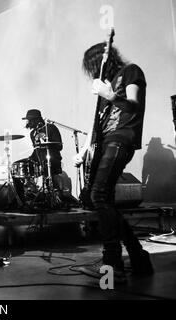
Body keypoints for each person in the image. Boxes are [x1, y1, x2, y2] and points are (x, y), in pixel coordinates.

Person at [73, 42, 153, 282]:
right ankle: (139, 258)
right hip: (106, 142)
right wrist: (84, 149)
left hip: (122, 138)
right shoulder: (105, 87)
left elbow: (133, 105)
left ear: (101, 61)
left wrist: (109, 94)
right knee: (102, 199)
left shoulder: (131, 71)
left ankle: (113, 264)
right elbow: (96, 124)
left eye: (93, 66)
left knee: (99, 196)